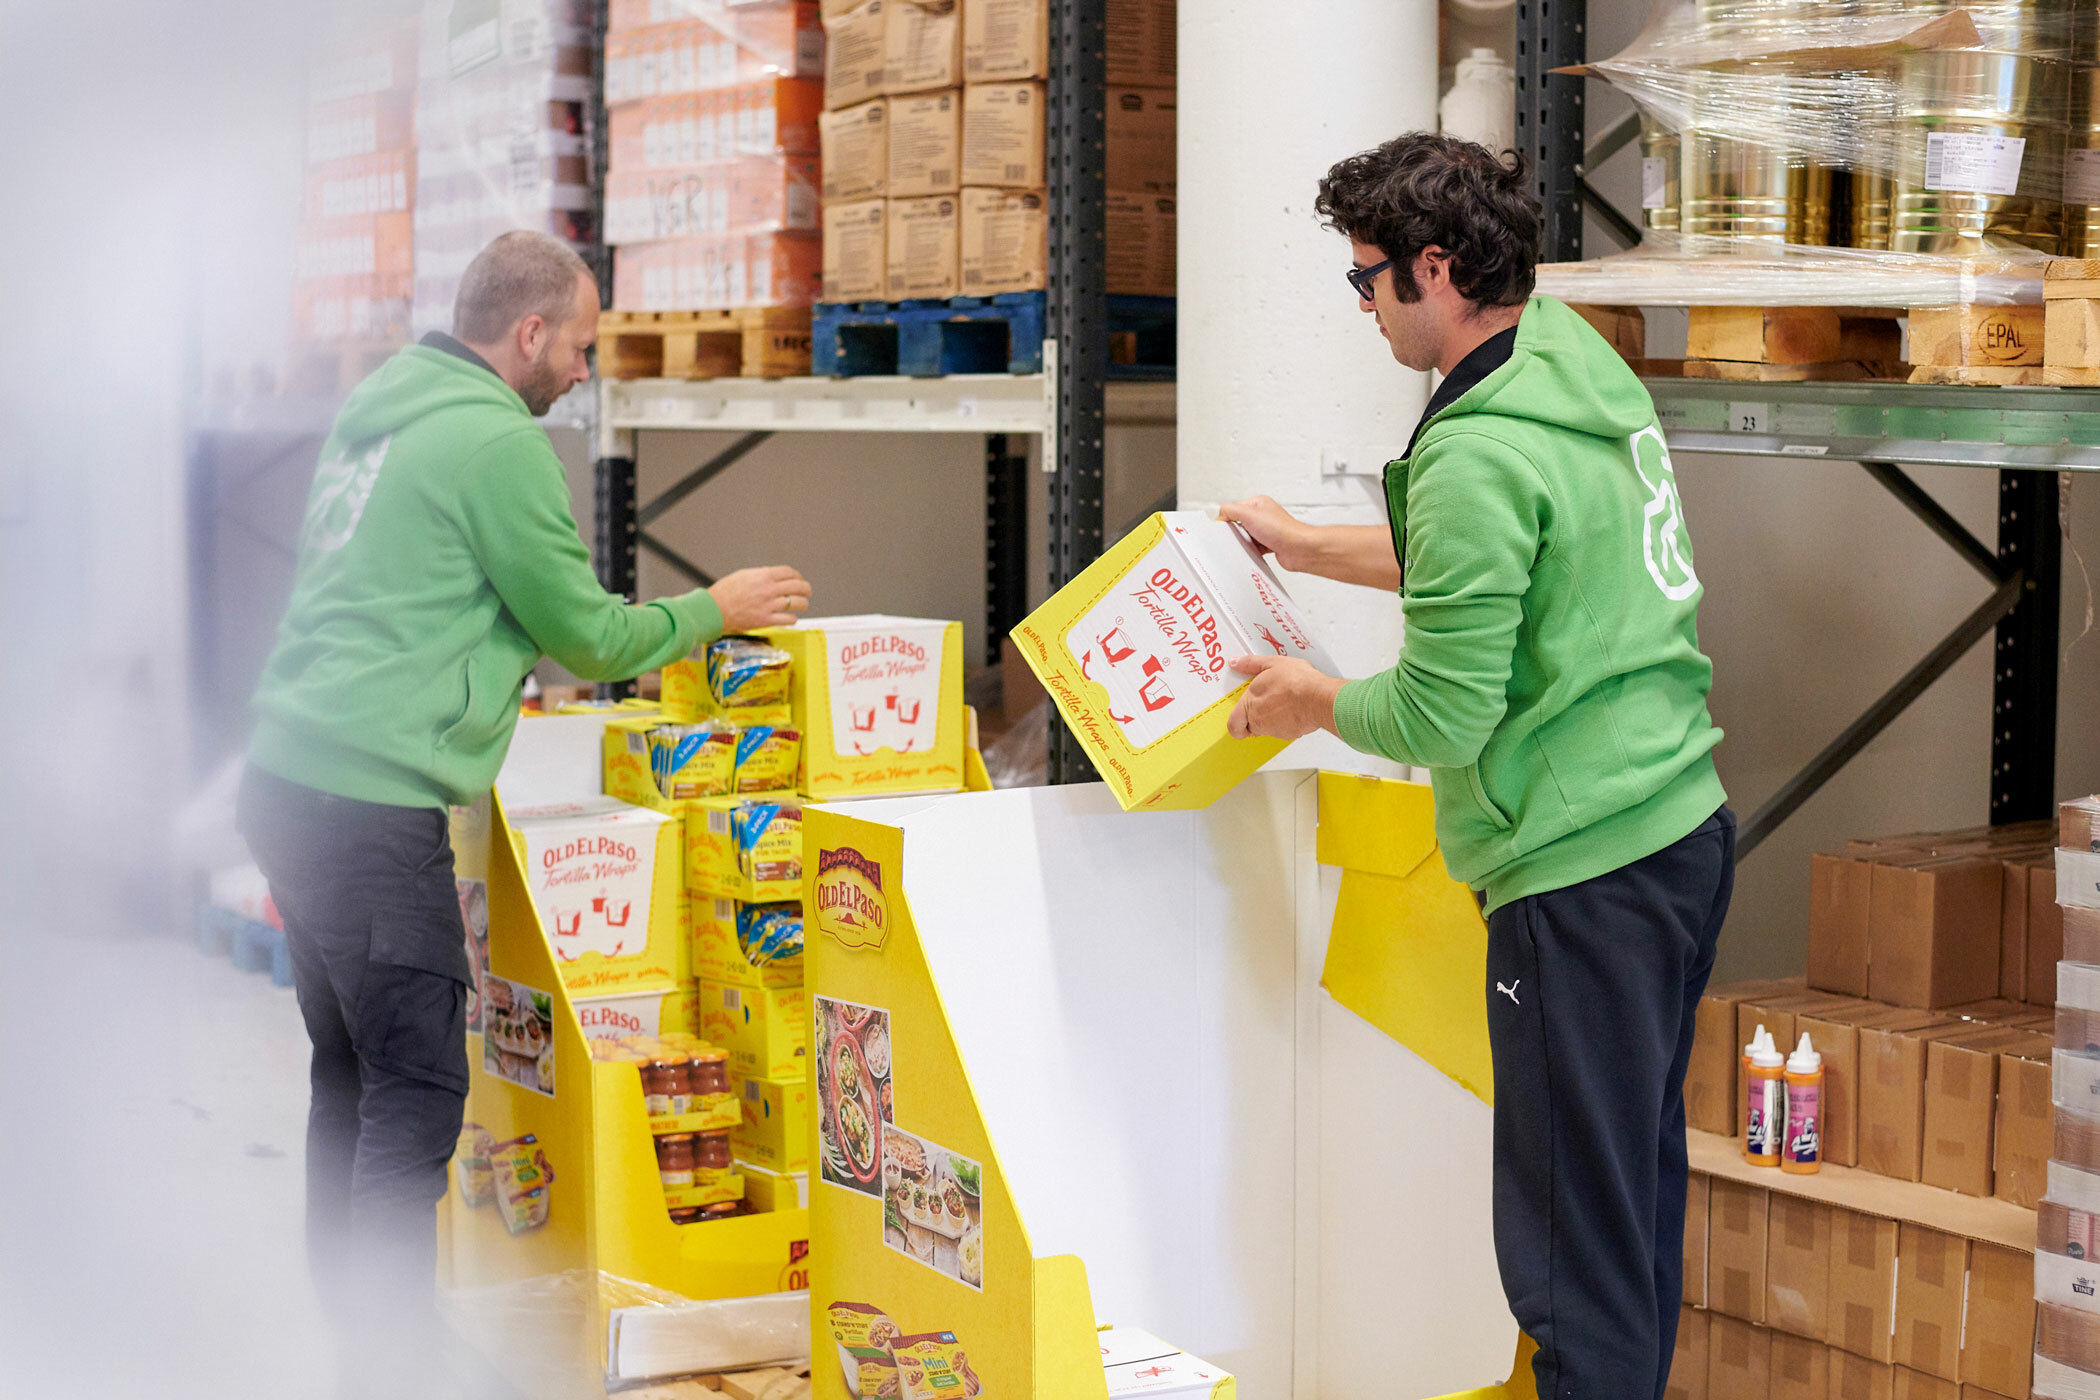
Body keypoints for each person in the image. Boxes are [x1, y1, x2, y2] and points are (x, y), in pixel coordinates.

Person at [236, 230, 811, 1397]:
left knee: (350, 1073)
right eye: (581, 347)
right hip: (367, 799)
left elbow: (415, 586)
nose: (585, 372)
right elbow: (589, 634)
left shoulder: (386, 403)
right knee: (416, 1089)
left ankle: (352, 1340)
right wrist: (716, 604)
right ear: (530, 332)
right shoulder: (497, 440)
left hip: (287, 774)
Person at [1220, 133, 1732, 1400]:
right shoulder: (1566, 362)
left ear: (1435, 268)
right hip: (1676, 827)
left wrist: (1311, 702)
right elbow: (1491, 557)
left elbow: (1443, 712)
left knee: (1567, 1255)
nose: (1363, 306)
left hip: (1578, 871)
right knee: (1626, 1204)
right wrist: (1305, 544)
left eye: (1368, 277)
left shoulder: (1471, 450)